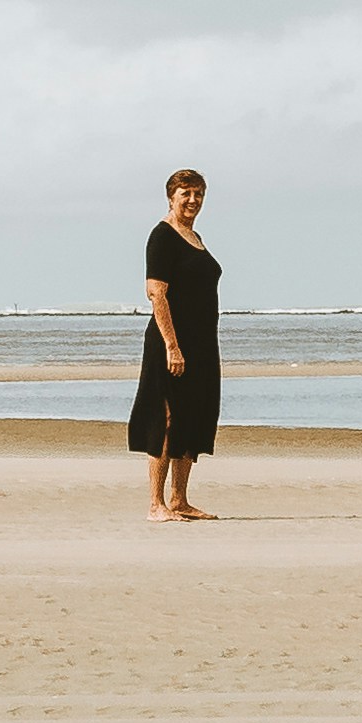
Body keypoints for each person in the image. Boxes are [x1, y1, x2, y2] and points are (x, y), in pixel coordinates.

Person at [131, 168, 222, 521]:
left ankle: (180, 500)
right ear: (171, 197)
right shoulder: (163, 236)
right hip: (171, 344)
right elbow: (156, 292)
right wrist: (172, 345)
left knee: (194, 417)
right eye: (186, 193)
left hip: (202, 343)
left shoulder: (194, 237)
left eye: (198, 193)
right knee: (165, 418)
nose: (193, 200)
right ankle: (156, 505)